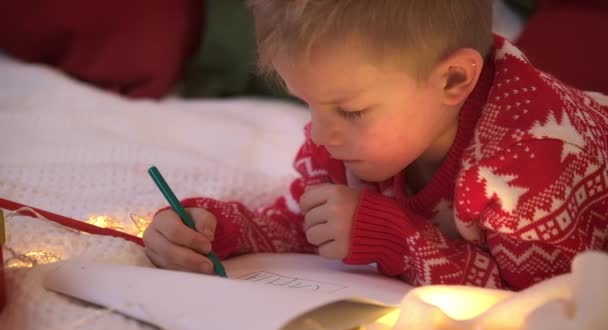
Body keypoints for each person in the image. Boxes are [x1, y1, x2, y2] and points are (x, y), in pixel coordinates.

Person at [143, 0, 608, 290]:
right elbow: (307, 225)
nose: (322, 135)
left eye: (351, 110)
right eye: (308, 104)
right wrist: (213, 230)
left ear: (453, 79)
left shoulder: (530, 163)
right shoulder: (348, 138)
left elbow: (543, 302)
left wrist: (395, 237)